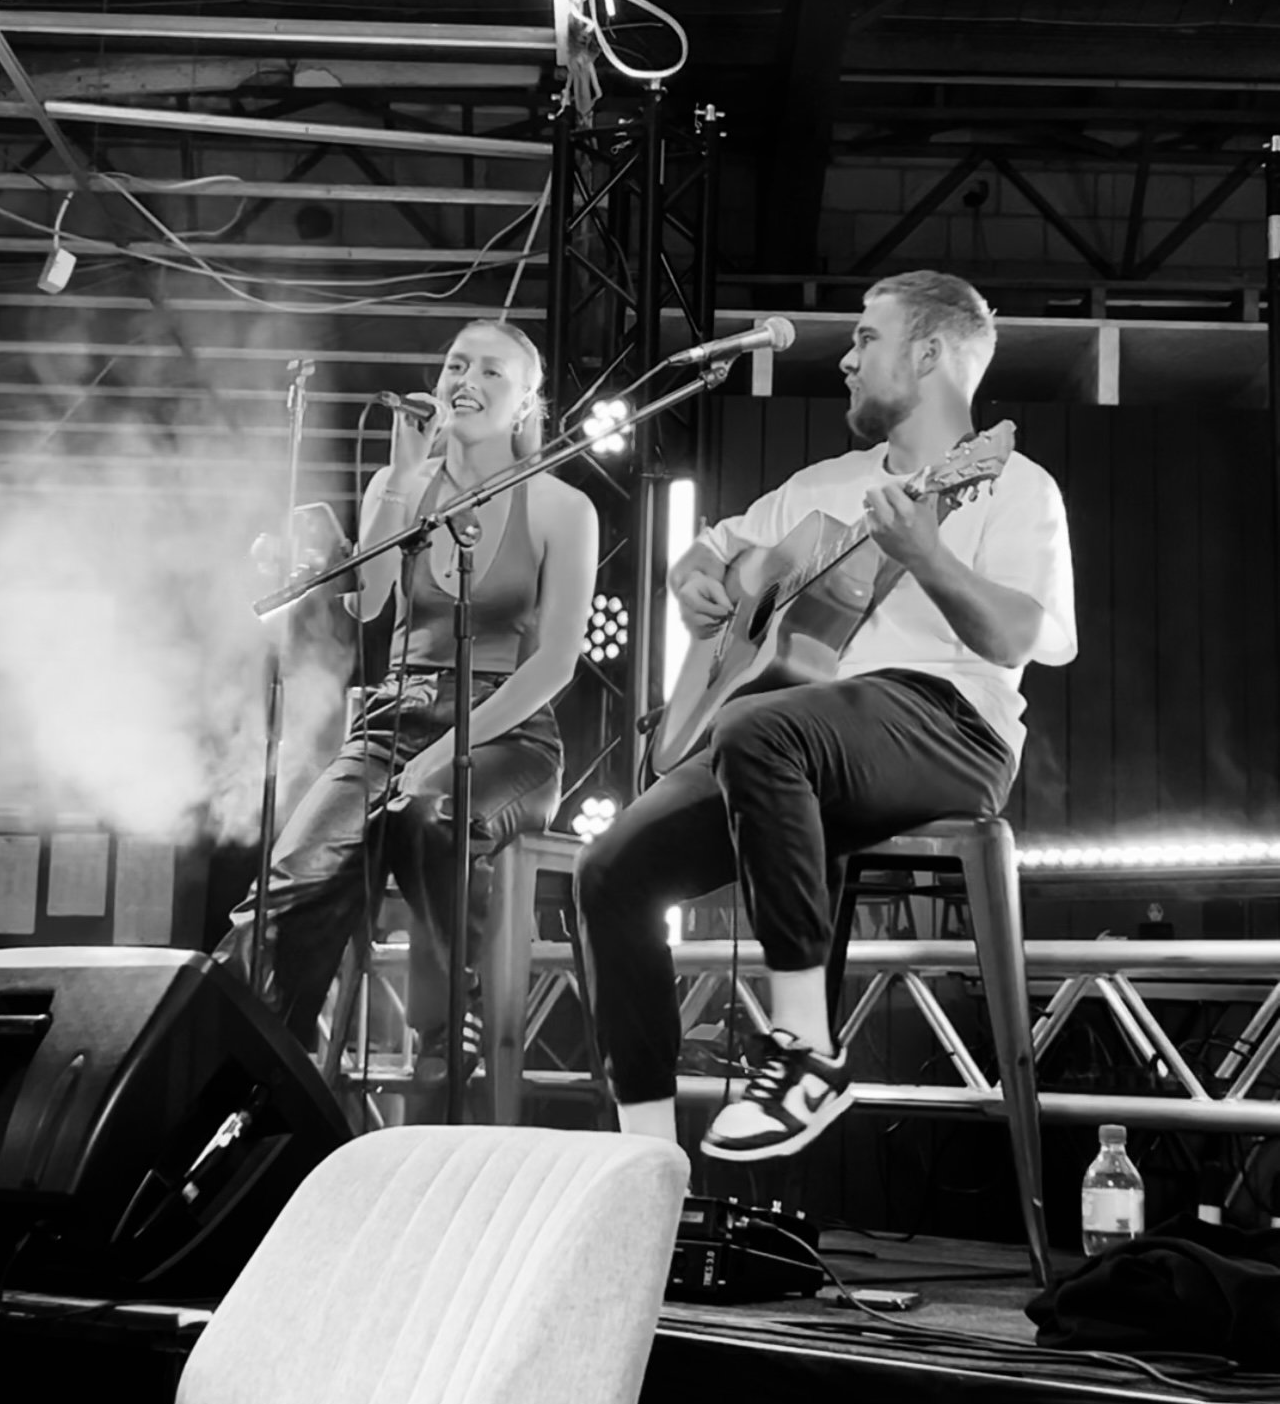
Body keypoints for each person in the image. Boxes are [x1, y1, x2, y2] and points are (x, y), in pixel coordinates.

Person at [576, 270, 1076, 1163]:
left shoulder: (1010, 485)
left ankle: (806, 1050)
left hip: (950, 724)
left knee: (761, 727)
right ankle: (644, 1160)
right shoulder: (823, 485)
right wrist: (694, 574)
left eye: (864, 339)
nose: (844, 359)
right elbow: (721, 551)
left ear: (927, 353)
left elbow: (1015, 639)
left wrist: (925, 554)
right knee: (608, 868)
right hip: (798, 740)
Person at [216, 319, 599, 1064]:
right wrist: (397, 481)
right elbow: (372, 603)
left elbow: (555, 663)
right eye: (457, 363)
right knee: (295, 877)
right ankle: (263, 1059)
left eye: (492, 372)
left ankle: (452, 1023)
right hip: (391, 720)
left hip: (507, 736)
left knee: (431, 810)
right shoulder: (399, 484)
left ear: (526, 405)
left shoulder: (560, 507)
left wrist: (447, 752)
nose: (467, 380)